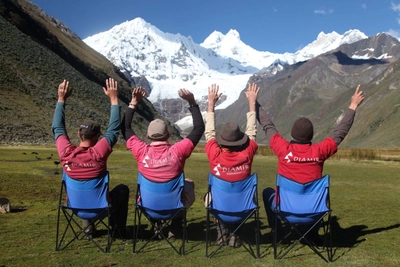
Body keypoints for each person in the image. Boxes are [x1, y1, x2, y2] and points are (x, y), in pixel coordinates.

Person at [257, 84, 365, 243]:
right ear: (311, 136)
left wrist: (254, 103)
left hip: (285, 209)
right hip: (314, 211)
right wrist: (353, 106)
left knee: (267, 193)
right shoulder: (319, 151)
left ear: (292, 134)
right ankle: (311, 234)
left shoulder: (283, 148)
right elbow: (339, 133)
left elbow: (268, 126)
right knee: (318, 195)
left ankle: (278, 233)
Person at [121, 86, 205, 238]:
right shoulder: (178, 150)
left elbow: (125, 128)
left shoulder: (141, 151)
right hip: (175, 207)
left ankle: (156, 224)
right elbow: (199, 128)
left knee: (149, 189)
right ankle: (175, 226)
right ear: (167, 135)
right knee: (189, 183)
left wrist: (134, 102)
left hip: (147, 206)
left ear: (148, 136)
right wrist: (192, 102)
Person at [52, 78, 130, 239]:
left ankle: (88, 230)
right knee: (123, 189)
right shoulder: (99, 153)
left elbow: (58, 127)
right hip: (101, 208)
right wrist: (114, 99)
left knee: (80, 191)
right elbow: (114, 129)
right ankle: (117, 230)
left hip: (74, 207)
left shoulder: (66, 152)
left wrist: (61, 99)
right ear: (97, 137)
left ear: (78, 134)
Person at [204, 83, 259, 248]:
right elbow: (252, 131)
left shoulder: (215, 154)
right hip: (243, 206)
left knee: (209, 197)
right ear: (240, 141)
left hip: (219, 207)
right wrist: (252, 103)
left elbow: (209, 133)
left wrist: (211, 104)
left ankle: (221, 231)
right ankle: (236, 233)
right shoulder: (247, 153)